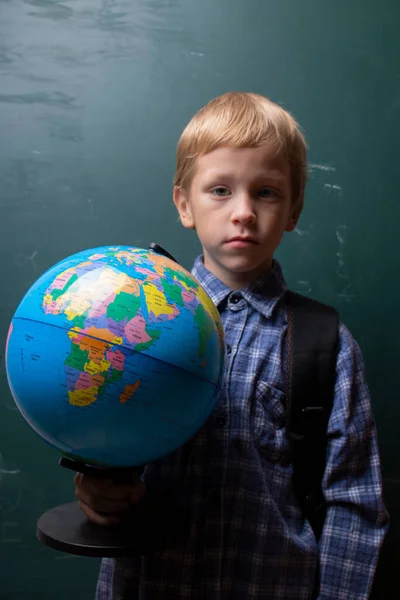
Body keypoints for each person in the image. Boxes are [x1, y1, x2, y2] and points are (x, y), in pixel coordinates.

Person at [75, 92, 389, 599]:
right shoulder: (131, 323)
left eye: (266, 192)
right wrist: (99, 488)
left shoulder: (326, 346)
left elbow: (355, 504)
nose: (243, 212)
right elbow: (101, 444)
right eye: (220, 189)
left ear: (293, 210)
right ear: (184, 204)